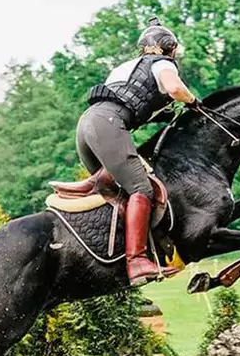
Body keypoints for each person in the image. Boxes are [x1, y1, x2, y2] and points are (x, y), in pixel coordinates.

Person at [77, 17, 200, 286]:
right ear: (170, 48)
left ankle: (112, 259)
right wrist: (193, 102)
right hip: (107, 126)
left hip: (87, 125)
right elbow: (175, 88)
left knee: (118, 196)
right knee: (141, 190)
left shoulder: (125, 68)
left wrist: (160, 114)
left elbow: (131, 100)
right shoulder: (163, 64)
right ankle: (136, 262)